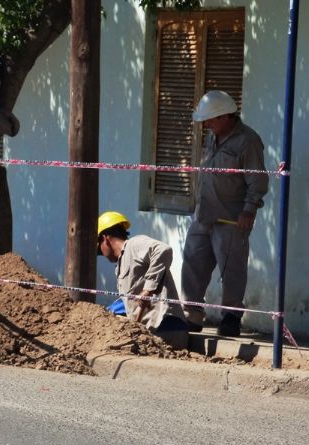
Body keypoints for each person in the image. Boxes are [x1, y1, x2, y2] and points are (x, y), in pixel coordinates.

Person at [180, 90, 269, 337]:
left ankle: (231, 316)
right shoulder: (212, 136)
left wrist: (249, 211)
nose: (206, 124)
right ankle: (192, 315)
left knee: (232, 269)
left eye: (210, 119)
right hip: (203, 214)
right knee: (193, 262)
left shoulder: (248, 141)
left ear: (225, 117)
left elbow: (257, 181)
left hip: (231, 218)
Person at [97, 211, 189, 350]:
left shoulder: (134, 244)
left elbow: (163, 250)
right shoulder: (120, 266)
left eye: (99, 249)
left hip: (166, 325)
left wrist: (148, 289)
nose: (102, 254)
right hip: (151, 331)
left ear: (105, 239)